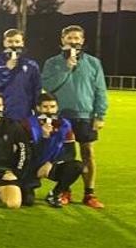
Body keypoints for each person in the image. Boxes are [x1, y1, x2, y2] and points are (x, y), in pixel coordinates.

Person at [41, 25, 107, 209]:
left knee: (88, 153)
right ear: (62, 40)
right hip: (61, 117)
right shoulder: (52, 63)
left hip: (85, 116)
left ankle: (89, 194)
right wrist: (66, 68)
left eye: (77, 38)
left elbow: (100, 90)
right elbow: (47, 86)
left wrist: (100, 114)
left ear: (83, 41)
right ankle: (64, 191)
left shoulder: (93, 63)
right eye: (70, 38)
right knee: (66, 157)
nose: (73, 41)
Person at [22, 92, 85, 209]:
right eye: (45, 107)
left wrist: (50, 163)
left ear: (57, 108)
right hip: (30, 165)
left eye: (52, 107)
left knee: (77, 166)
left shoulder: (64, 125)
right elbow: (26, 152)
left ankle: (55, 194)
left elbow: (70, 153)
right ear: (38, 108)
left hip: (51, 165)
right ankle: (27, 186)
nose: (49, 110)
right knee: (28, 201)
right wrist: (44, 138)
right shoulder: (27, 125)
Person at [0, 29, 41, 120]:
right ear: (4, 43)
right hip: (0, 115)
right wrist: (6, 70)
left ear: (22, 43)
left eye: (17, 41)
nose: (13, 45)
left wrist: (37, 111)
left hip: (24, 115)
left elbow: (37, 90)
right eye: (10, 41)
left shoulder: (31, 65)